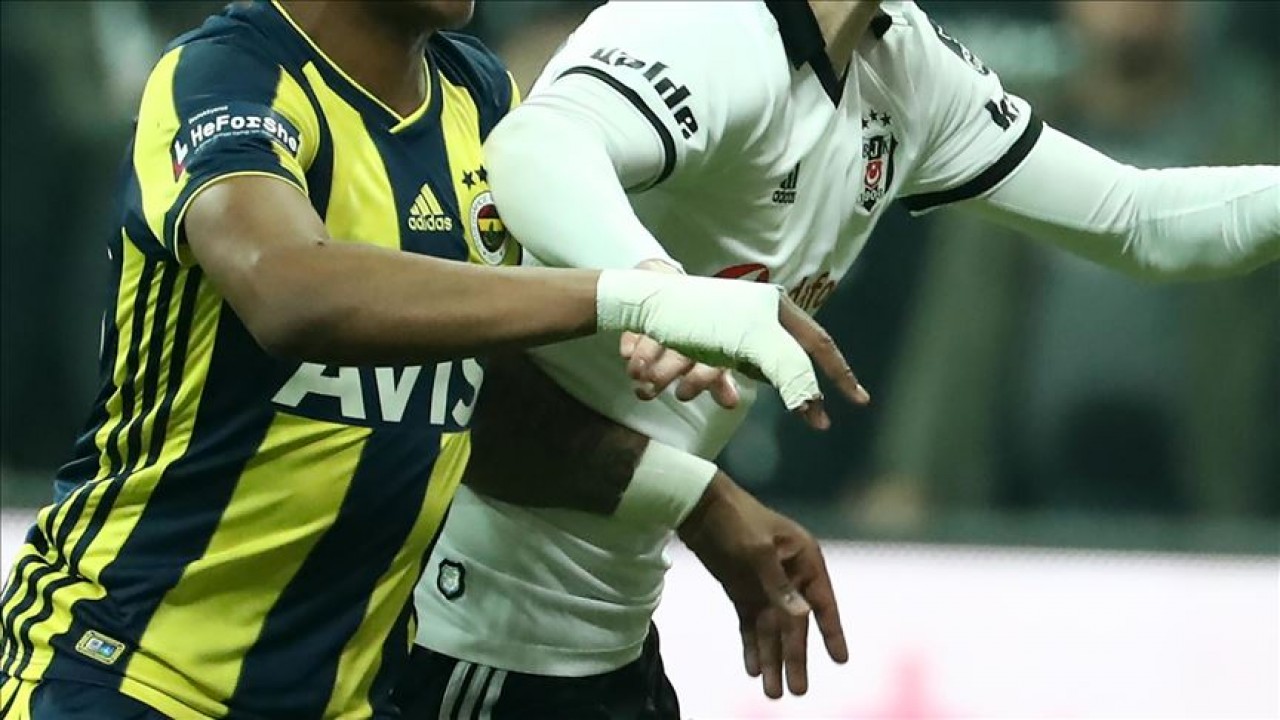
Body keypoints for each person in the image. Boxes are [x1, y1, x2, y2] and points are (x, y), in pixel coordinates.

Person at [402, 0, 1280, 717]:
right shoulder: (706, 24)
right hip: (472, 625)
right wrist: (656, 290)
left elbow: (1139, 220)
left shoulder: (907, 63)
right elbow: (537, 146)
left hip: (607, 631)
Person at [0, 1, 864, 718]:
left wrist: (699, 503)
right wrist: (631, 295)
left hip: (354, 696)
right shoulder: (225, 77)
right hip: (127, 672)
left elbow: (481, 395)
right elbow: (287, 288)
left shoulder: (477, 98)